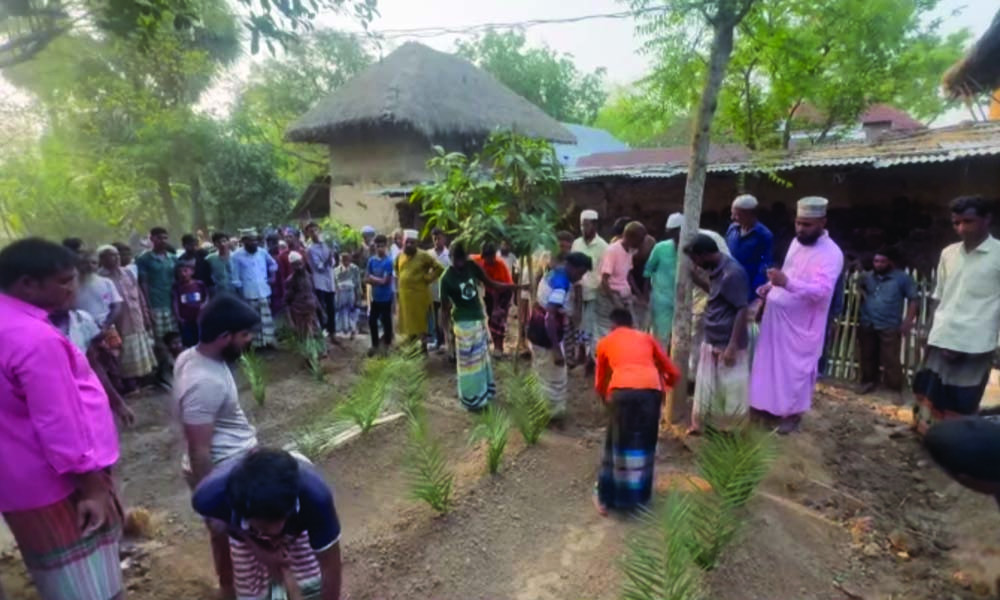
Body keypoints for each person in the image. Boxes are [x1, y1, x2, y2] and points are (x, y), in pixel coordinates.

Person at [0, 238, 124, 600]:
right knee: (91, 584)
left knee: (57, 579)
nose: (73, 289)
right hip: (58, 485)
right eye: (65, 281)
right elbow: (59, 422)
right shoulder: (33, 338)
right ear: (27, 284)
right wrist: (92, 488)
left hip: (18, 483)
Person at [174, 293, 261, 599]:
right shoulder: (202, 381)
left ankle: (232, 588)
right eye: (245, 335)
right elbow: (199, 450)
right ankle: (234, 591)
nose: (249, 341)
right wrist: (210, 507)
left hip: (229, 465)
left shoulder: (194, 357)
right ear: (225, 337)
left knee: (231, 540)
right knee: (235, 540)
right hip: (223, 473)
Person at [192, 448, 343, 600]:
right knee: (252, 588)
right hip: (244, 527)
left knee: (311, 581)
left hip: (297, 515)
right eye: (264, 526)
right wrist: (256, 547)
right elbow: (219, 528)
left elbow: (330, 566)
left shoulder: (316, 499)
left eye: (280, 520)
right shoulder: (210, 498)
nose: (274, 532)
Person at [749, 197, 844, 434]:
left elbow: (821, 292)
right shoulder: (796, 242)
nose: (801, 229)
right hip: (776, 319)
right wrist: (771, 287)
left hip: (803, 326)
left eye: (807, 225)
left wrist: (787, 283)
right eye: (798, 223)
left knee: (796, 372)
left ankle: (792, 414)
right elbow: (789, 273)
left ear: (823, 222)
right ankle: (765, 408)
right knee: (769, 366)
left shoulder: (832, 254)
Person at [913, 196, 1000, 434]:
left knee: (962, 394)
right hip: (942, 333)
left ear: (987, 220)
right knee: (930, 388)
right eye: (956, 223)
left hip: (976, 340)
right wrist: (929, 329)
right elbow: (939, 296)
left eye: (968, 221)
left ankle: (954, 443)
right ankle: (925, 435)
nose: (961, 228)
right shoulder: (948, 254)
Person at [593, 308, 679, 514]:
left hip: (622, 393)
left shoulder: (605, 342)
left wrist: (606, 400)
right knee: (645, 444)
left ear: (613, 326)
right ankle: (640, 498)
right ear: (631, 324)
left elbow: (599, 382)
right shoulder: (647, 338)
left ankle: (606, 500)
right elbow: (672, 371)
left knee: (615, 445)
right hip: (651, 393)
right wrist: (665, 388)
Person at [440, 241, 518, 410]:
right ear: (451, 258)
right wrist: (447, 335)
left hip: (478, 320)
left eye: (462, 260)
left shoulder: (471, 266)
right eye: (456, 261)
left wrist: (512, 286)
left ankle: (483, 394)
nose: (460, 264)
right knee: (468, 363)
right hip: (462, 323)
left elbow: (490, 283)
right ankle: (470, 399)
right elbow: (444, 310)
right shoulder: (445, 279)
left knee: (481, 360)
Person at [685, 234, 750, 433]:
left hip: (727, 340)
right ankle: (706, 425)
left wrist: (732, 346)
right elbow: (718, 293)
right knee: (709, 387)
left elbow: (741, 309)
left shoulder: (733, 273)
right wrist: (698, 281)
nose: (695, 264)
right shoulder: (716, 270)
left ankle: (730, 431)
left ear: (704, 254)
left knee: (729, 389)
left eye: (695, 259)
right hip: (712, 336)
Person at [528, 252, 593, 417]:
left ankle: (539, 406)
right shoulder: (561, 284)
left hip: (536, 327)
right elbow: (550, 316)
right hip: (546, 333)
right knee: (555, 375)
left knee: (541, 370)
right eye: (582, 272)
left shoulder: (555, 272)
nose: (581, 277)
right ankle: (550, 413)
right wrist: (556, 349)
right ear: (574, 268)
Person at [857, 247, 918, 395]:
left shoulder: (902, 278)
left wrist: (908, 321)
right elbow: (859, 285)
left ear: (890, 262)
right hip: (868, 321)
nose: (878, 264)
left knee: (890, 359)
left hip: (889, 324)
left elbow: (914, 299)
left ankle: (894, 389)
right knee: (867, 355)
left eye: (882, 261)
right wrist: (864, 296)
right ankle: (869, 382)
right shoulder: (868, 277)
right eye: (876, 261)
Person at [98, 244, 157, 389]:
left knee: (140, 349)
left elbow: (140, 295)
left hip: (136, 318)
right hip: (119, 323)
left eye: (117, 254)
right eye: (111, 255)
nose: (116, 258)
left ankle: (142, 380)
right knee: (122, 353)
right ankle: (129, 383)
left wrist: (146, 315)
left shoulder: (128, 273)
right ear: (102, 259)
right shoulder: (100, 278)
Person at [395, 229, 445, 352]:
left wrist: (428, 278)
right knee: (408, 324)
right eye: (407, 242)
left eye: (412, 243)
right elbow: (396, 269)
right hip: (405, 297)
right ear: (404, 242)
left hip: (420, 297)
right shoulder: (400, 256)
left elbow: (439, 268)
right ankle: (412, 350)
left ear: (416, 243)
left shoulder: (423, 255)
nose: (409, 245)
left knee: (421, 324)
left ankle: (423, 349)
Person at [571, 209, 609, 366]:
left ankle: (589, 358)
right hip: (576, 290)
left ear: (594, 225)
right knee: (577, 322)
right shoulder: (577, 243)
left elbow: (603, 272)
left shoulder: (603, 246)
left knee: (590, 324)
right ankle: (579, 352)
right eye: (581, 225)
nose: (583, 228)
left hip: (593, 292)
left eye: (586, 225)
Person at [595, 222, 643, 340]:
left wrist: (637, 293)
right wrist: (615, 302)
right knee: (608, 330)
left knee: (632, 329)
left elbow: (628, 274)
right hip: (609, 295)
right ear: (631, 237)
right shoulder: (613, 251)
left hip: (624, 295)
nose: (641, 243)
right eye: (640, 239)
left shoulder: (629, 250)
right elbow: (604, 280)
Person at [231, 232, 278, 349]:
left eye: (255, 240)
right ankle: (256, 345)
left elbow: (273, 264)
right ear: (244, 242)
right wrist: (240, 293)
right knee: (253, 319)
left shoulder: (262, 252)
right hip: (248, 293)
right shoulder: (236, 256)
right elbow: (235, 278)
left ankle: (269, 341)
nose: (254, 243)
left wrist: (272, 276)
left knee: (266, 318)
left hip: (263, 291)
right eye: (250, 240)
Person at [725, 194, 774, 304]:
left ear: (748, 214)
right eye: (732, 214)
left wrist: (755, 291)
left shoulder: (764, 235)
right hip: (729, 281)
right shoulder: (732, 229)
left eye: (736, 215)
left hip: (748, 284)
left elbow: (765, 264)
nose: (732, 218)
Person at [136, 226, 179, 344]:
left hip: (171, 302)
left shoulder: (173, 258)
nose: (163, 240)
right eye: (159, 238)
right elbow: (143, 283)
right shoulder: (144, 259)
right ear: (152, 239)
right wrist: (148, 307)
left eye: (165, 238)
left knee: (174, 336)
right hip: (155, 304)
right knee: (159, 338)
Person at [474, 241, 515, 357]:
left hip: (504, 291)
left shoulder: (500, 266)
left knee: (498, 319)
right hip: (489, 292)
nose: (487, 261)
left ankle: (499, 347)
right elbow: (468, 260)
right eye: (485, 258)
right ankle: (494, 343)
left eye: (490, 258)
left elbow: (499, 288)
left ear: (494, 256)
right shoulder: (478, 260)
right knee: (490, 318)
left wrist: (497, 307)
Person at [644, 220, 680, 351]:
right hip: (661, 300)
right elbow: (648, 272)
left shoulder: (691, 248)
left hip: (684, 300)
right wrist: (646, 295)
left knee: (680, 337)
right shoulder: (660, 248)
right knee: (661, 337)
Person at [306, 223, 338, 343]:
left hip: (330, 281)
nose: (314, 233)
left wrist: (331, 256)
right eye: (311, 231)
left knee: (331, 307)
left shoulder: (326, 244)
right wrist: (328, 257)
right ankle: (322, 331)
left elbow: (333, 263)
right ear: (308, 234)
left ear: (319, 231)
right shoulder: (310, 249)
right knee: (320, 307)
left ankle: (332, 331)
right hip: (319, 282)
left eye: (315, 230)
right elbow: (319, 267)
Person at [367, 235, 395, 356]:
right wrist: (374, 279)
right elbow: (365, 279)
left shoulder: (388, 261)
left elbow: (386, 281)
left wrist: (372, 278)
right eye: (378, 246)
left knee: (386, 321)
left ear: (386, 246)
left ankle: (387, 345)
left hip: (386, 297)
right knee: (372, 321)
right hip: (375, 297)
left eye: (382, 246)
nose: (380, 248)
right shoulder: (371, 261)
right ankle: (374, 345)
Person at [286, 251, 323, 341]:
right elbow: (287, 303)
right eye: (296, 265)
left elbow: (313, 293)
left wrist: (321, 310)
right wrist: (290, 321)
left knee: (316, 334)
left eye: (300, 264)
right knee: (305, 337)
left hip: (311, 310)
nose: (299, 267)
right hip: (300, 313)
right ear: (292, 266)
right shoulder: (291, 280)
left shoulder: (308, 276)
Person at [173, 262, 209, 348]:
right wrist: (178, 317)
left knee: (201, 339)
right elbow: (175, 302)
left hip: (199, 318)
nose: (183, 274)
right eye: (180, 272)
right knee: (189, 342)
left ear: (192, 271)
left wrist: (204, 305)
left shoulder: (199, 284)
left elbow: (206, 297)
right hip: (186, 320)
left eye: (185, 271)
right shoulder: (177, 287)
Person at [430, 228, 451, 351]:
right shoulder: (429, 254)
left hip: (445, 293)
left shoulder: (449, 256)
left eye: (439, 238)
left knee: (445, 318)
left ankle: (446, 342)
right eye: (435, 239)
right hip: (432, 292)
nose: (437, 241)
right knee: (434, 318)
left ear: (444, 239)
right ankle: (438, 340)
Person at [333, 252, 361, 339]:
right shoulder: (336, 270)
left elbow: (357, 283)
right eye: (342, 260)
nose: (344, 262)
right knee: (341, 310)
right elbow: (335, 283)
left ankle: (352, 329)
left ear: (349, 260)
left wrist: (358, 295)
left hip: (351, 292)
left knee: (352, 310)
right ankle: (343, 329)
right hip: (341, 293)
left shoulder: (354, 269)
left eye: (346, 260)